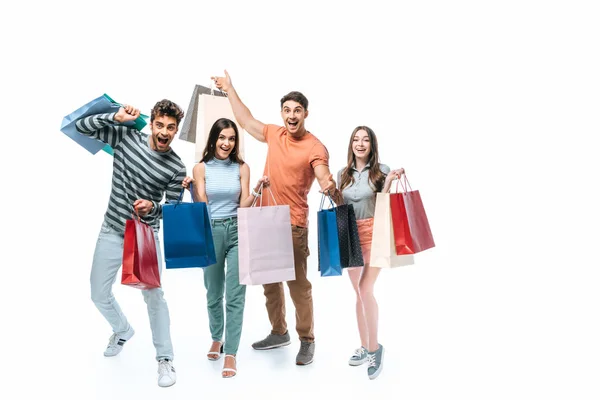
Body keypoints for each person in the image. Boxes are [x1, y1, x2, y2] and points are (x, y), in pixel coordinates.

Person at [211, 70, 338, 365]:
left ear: (305, 113)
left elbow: (322, 174)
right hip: (265, 218)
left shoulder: (315, 146)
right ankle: (279, 332)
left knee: (297, 286)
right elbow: (245, 120)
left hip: (293, 225)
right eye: (286, 110)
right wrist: (229, 88)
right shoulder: (275, 133)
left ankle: (307, 339)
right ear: (282, 113)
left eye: (297, 110)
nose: (291, 115)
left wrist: (328, 184)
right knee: (269, 281)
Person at [75, 99, 191, 387]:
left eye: (171, 128)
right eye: (160, 125)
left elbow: (174, 209)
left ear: (176, 131)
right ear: (151, 123)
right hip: (113, 229)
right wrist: (115, 115)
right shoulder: (127, 137)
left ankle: (165, 359)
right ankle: (122, 329)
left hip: (145, 237)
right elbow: (81, 127)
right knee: (97, 293)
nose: (165, 132)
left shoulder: (176, 166)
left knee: (154, 297)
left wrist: (153, 206)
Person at [189, 117, 269, 378]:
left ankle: (231, 352)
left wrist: (256, 190)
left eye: (231, 138)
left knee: (235, 295)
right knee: (213, 292)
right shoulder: (200, 168)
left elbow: (243, 205)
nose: (226, 143)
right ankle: (216, 337)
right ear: (213, 139)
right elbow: (202, 203)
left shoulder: (242, 167)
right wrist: (191, 188)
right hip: (210, 231)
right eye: (222, 137)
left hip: (237, 230)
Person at [336, 125, 404, 380]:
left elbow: (383, 203)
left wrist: (388, 183)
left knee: (366, 289)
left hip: (374, 235)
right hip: (350, 235)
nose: (360, 144)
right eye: (356, 139)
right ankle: (365, 347)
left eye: (365, 140)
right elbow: (341, 205)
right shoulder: (343, 173)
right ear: (351, 143)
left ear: (372, 145)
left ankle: (376, 349)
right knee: (358, 293)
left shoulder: (381, 171)